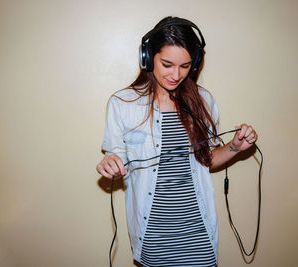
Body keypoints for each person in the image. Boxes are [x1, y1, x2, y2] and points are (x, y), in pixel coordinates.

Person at [97, 16, 258, 267]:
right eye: (167, 64)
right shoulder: (122, 104)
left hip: (198, 233)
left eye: (185, 66)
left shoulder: (203, 101)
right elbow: (116, 157)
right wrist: (110, 163)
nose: (176, 74)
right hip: (153, 235)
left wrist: (236, 146)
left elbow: (207, 161)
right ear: (148, 57)